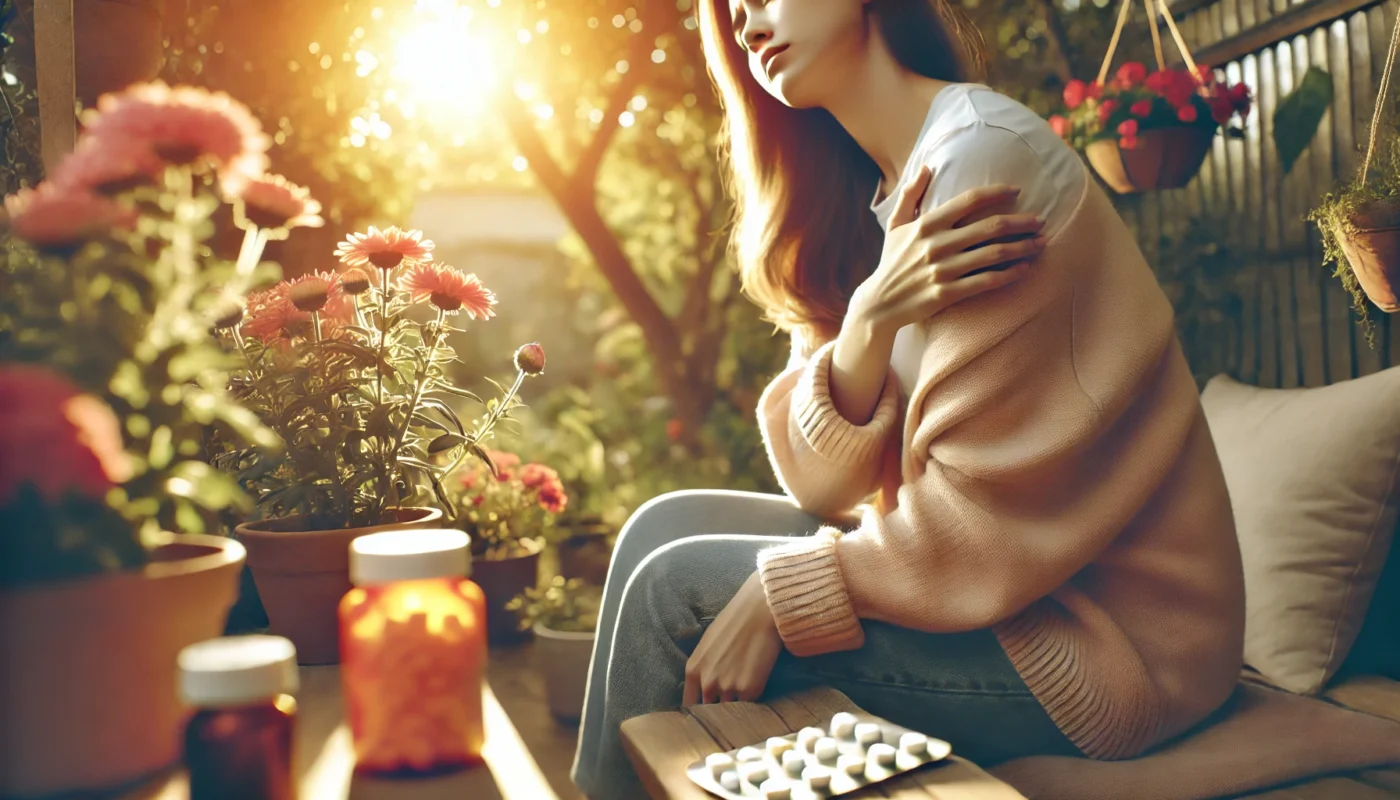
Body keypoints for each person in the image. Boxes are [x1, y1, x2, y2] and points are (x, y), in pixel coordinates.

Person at [572, 1, 1246, 797]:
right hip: (1000, 593)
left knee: (671, 589)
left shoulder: (983, 160)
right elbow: (824, 489)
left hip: (1104, 645)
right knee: (663, 522)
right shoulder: (866, 192)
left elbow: (988, 526)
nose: (751, 23)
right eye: (736, 7)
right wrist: (867, 321)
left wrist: (777, 592)